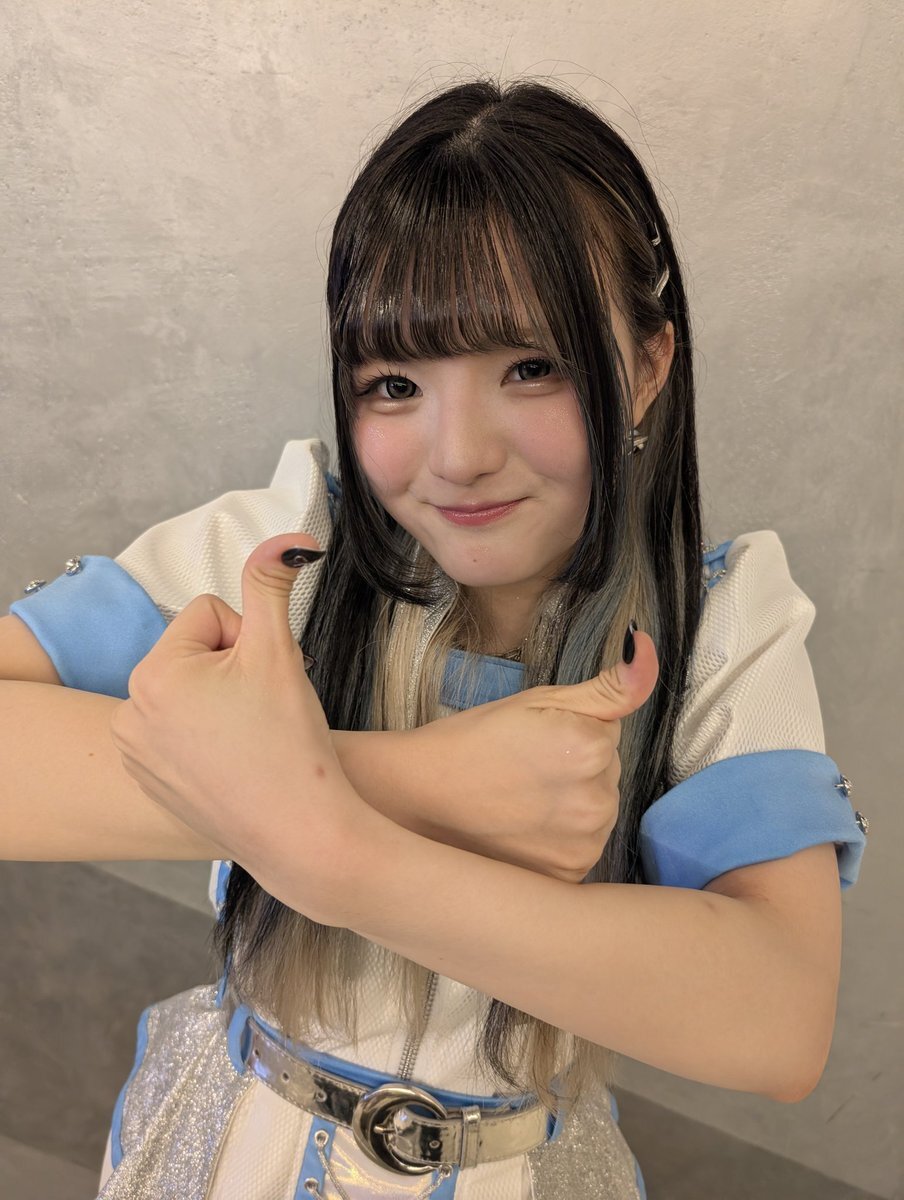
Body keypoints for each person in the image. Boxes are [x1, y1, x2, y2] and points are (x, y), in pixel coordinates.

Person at [1, 78, 867, 1200]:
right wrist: (418, 781)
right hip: (236, 1150)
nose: (459, 455)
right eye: (396, 383)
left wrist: (336, 853)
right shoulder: (283, 554)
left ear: (649, 364)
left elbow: (775, 1023)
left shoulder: (714, 622)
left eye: (532, 367)